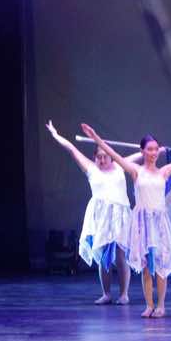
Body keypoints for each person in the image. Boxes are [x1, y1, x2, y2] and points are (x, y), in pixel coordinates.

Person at [80, 121, 171, 317]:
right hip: (142, 224)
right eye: (150, 149)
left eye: (156, 149)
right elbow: (113, 154)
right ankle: (149, 305)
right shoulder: (135, 170)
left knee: (161, 265)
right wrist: (95, 137)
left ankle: (161, 305)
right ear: (143, 151)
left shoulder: (164, 171)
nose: (153, 153)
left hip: (159, 223)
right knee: (146, 267)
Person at [46, 120, 136, 305]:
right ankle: (106, 293)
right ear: (94, 157)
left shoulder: (120, 165)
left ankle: (124, 294)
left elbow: (143, 154)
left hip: (119, 215)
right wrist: (55, 135)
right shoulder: (91, 168)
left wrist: (158, 150)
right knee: (103, 256)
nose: (102, 160)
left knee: (121, 256)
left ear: (111, 156)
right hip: (100, 216)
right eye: (99, 157)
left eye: (105, 156)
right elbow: (71, 148)